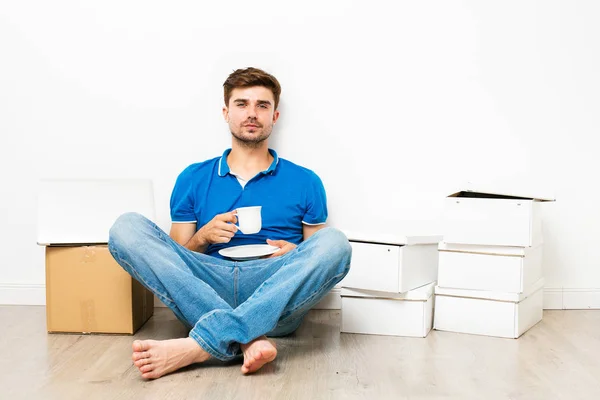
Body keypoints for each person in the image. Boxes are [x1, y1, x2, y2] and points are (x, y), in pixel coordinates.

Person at [108, 67, 352, 380]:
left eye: (262, 105)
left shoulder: (306, 181)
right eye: (242, 104)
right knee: (125, 227)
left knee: (335, 243)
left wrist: (294, 251)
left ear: (274, 116)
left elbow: (317, 254)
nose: (252, 113)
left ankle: (204, 344)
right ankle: (249, 336)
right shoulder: (193, 178)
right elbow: (174, 257)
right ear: (226, 112)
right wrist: (202, 238)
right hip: (205, 288)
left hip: (272, 288)